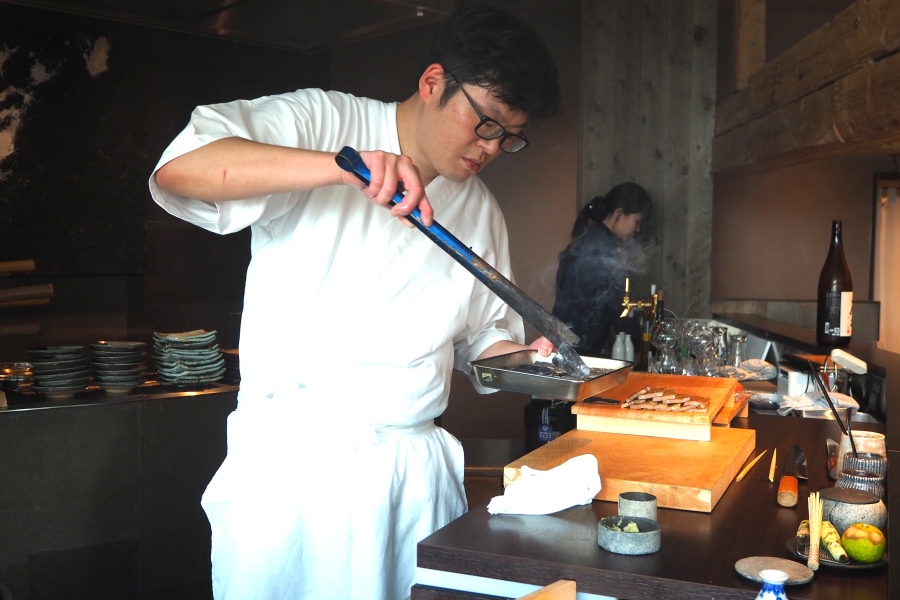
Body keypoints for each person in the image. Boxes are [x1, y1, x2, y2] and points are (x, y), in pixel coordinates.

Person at [148, 5, 560, 599]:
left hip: (412, 479)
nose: (492, 148)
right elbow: (180, 170)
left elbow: (480, 337)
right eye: (486, 124)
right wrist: (341, 168)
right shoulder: (325, 119)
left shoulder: (480, 209)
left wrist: (524, 361)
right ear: (434, 82)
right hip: (297, 473)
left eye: (509, 138)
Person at [551, 183, 652, 357]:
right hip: (579, 346)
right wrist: (643, 346)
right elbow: (620, 306)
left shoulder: (589, 238)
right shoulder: (606, 250)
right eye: (637, 222)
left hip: (559, 338)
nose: (638, 230)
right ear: (618, 214)